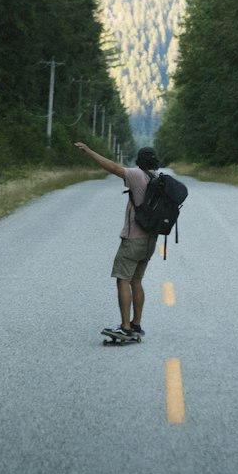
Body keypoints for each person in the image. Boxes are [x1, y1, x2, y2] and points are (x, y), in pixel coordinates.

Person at [74, 140, 161, 338]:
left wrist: (89, 151)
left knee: (123, 280)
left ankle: (125, 327)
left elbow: (111, 167)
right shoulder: (158, 178)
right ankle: (136, 324)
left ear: (139, 161)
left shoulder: (137, 175)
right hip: (149, 241)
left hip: (133, 239)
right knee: (137, 281)